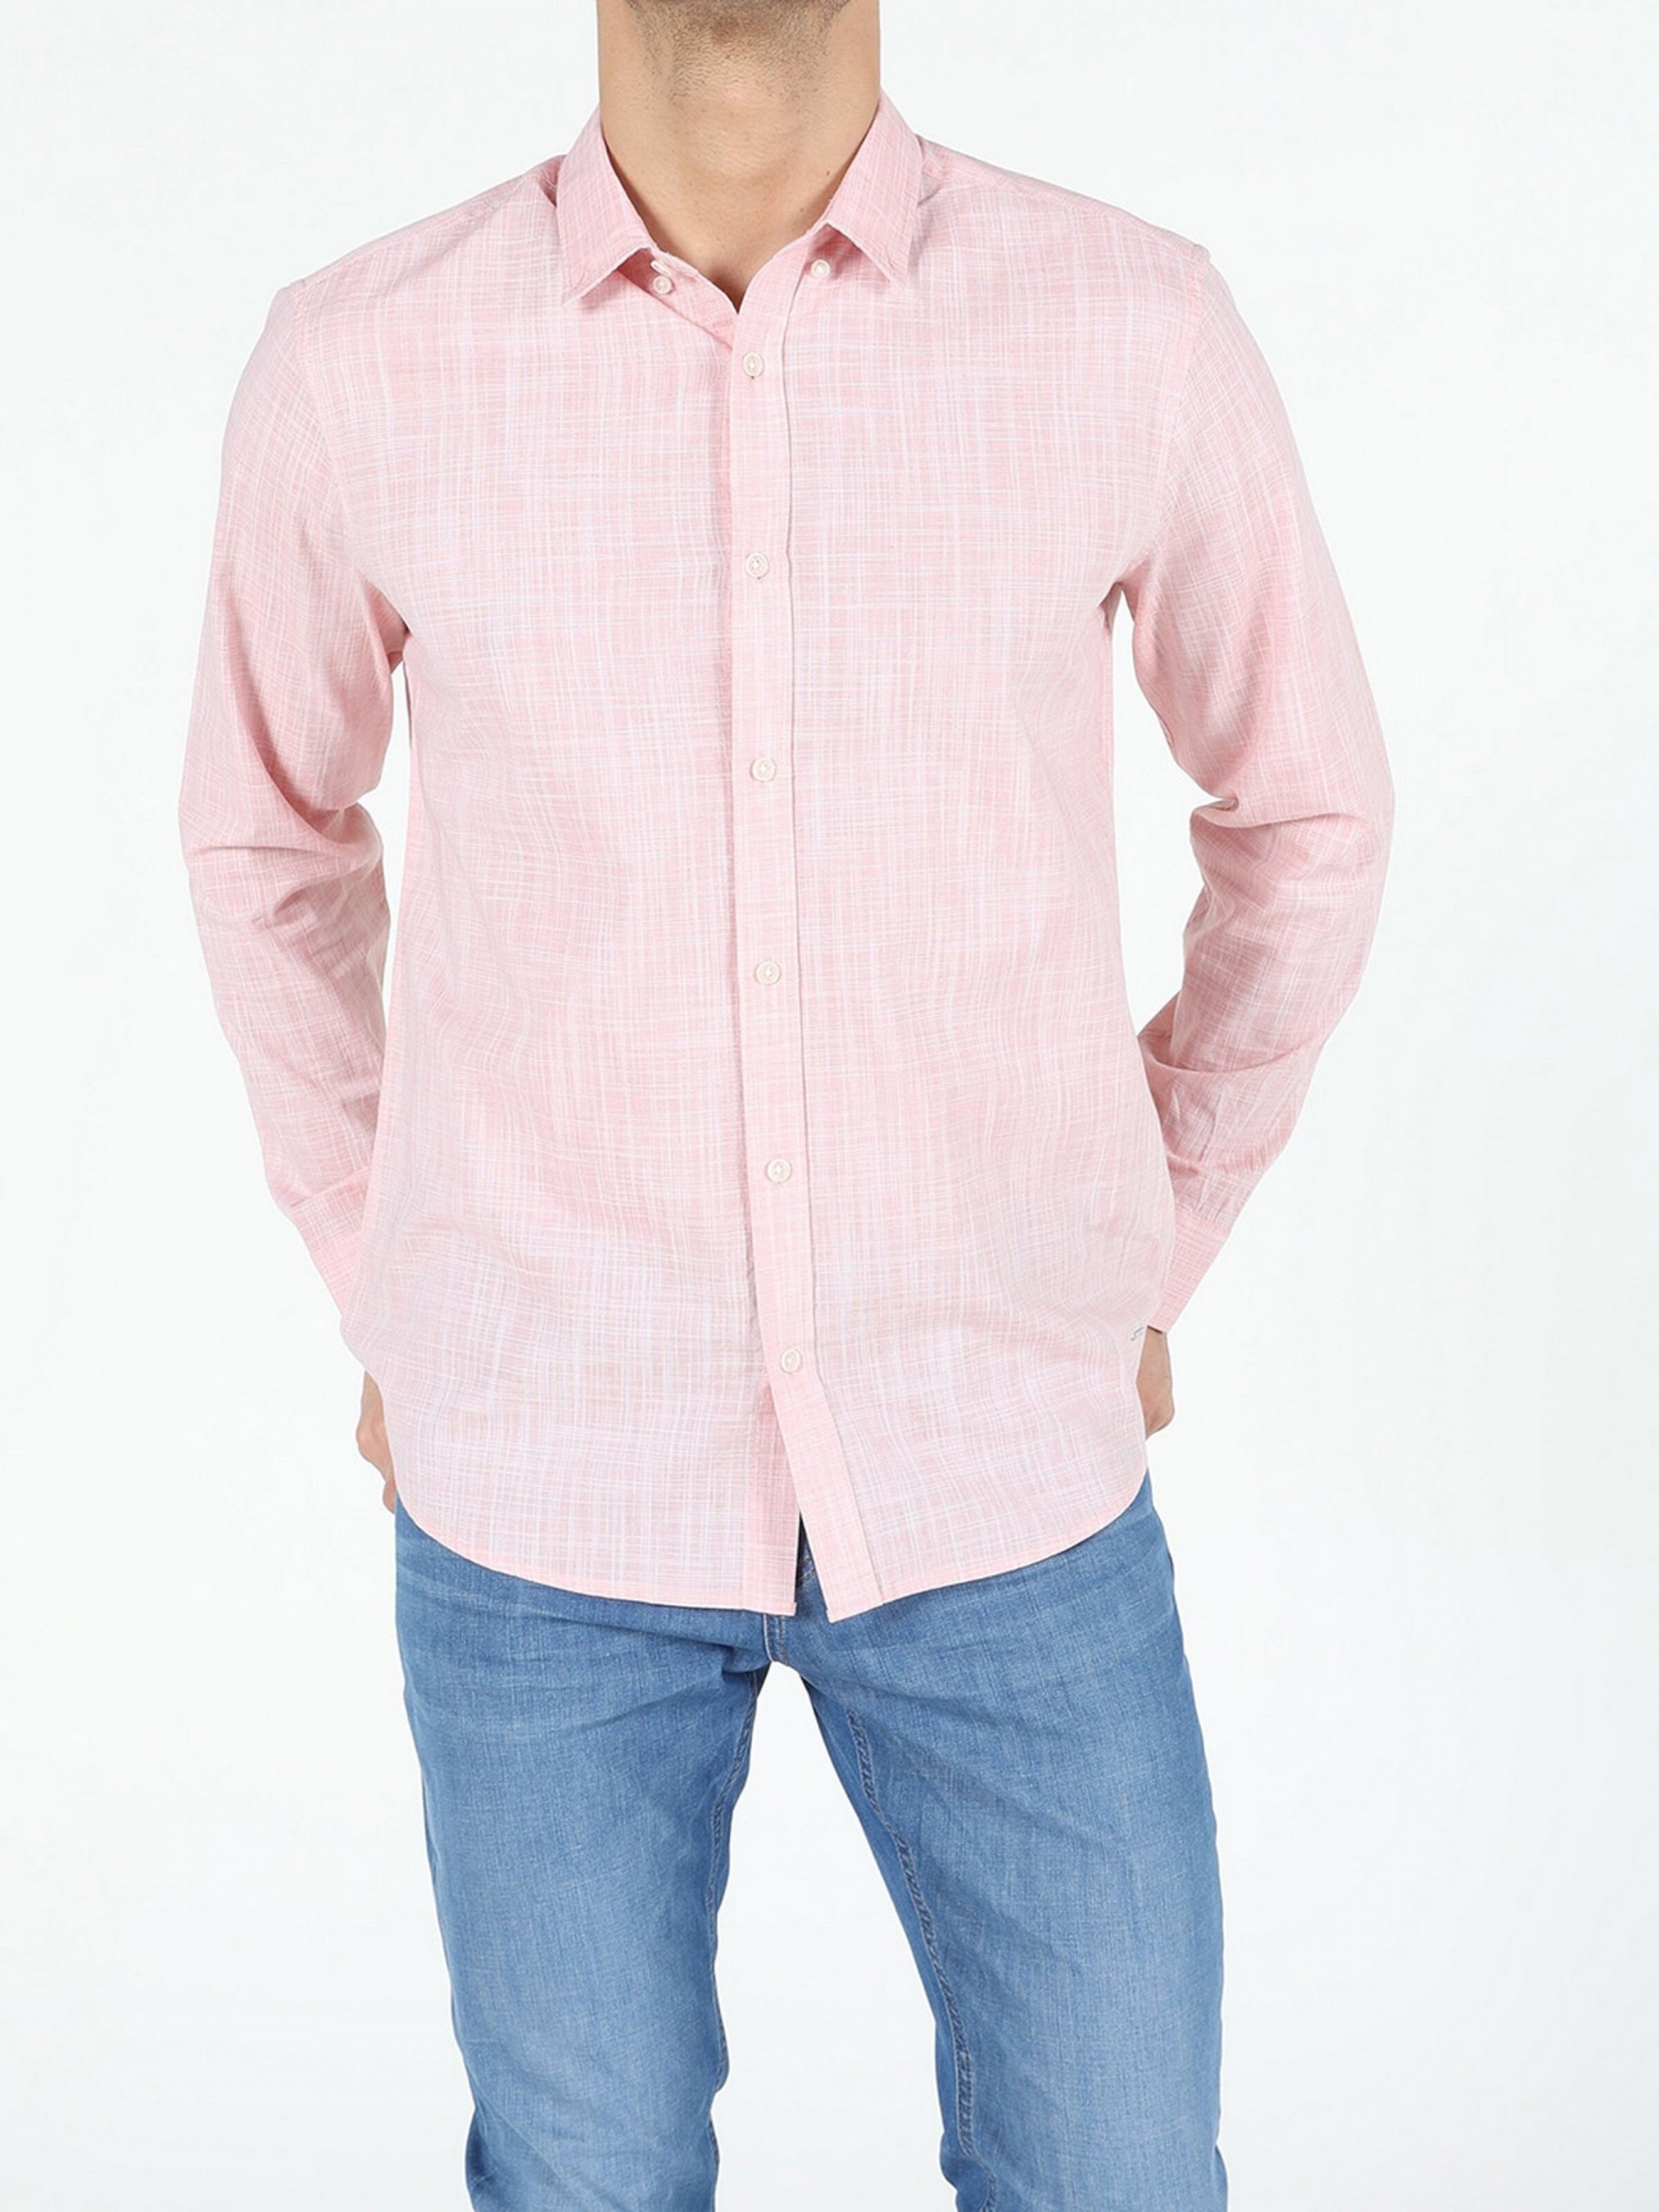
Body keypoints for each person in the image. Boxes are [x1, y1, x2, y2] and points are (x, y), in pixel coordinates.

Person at [178, 0, 1394, 2202]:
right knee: (584, 2178)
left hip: (1003, 1467)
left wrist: (1153, 1228)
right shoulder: (356, 361)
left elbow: (1306, 811)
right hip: (538, 1504)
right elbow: (264, 842)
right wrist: (390, 1276)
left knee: (1120, 2169)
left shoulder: (1127, 323)